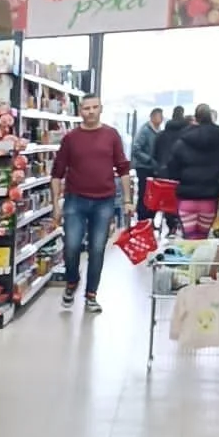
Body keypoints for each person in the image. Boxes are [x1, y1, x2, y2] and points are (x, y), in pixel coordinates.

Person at [51, 93, 132, 315]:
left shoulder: (111, 135)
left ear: (101, 109)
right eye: (86, 108)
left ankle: (91, 295)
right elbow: (57, 172)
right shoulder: (71, 139)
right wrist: (55, 205)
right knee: (72, 247)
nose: (91, 112)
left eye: (95, 107)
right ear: (80, 111)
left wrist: (127, 200)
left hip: (104, 201)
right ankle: (71, 281)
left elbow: (123, 168)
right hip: (75, 200)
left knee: (97, 249)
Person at [166, 102, 219, 237]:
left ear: (196, 118)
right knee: (202, 237)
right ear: (211, 117)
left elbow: (172, 170)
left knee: (190, 238)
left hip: (186, 200)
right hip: (209, 200)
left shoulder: (181, 143)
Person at [131, 107, 164, 216]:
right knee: (144, 192)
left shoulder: (159, 131)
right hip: (143, 167)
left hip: (153, 168)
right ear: (153, 117)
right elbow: (136, 148)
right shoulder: (145, 130)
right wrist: (148, 159)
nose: (162, 119)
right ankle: (142, 216)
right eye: (160, 116)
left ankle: (150, 216)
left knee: (152, 194)